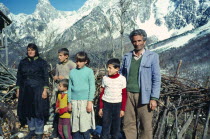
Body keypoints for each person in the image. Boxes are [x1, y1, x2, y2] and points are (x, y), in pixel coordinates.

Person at [120, 29, 161, 139]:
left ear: (144, 41)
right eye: (134, 41)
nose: (137, 43)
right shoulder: (127, 57)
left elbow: (156, 78)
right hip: (128, 94)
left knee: (146, 125)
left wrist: (154, 98)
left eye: (139, 41)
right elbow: (121, 75)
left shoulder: (152, 56)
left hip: (144, 95)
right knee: (128, 124)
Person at [16, 43, 49, 139]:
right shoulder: (23, 62)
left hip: (38, 89)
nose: (30, 52)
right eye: (29, 50)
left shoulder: (42, 62)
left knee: (38, 110)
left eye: (32, 50)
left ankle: (39, 132)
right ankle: (32, 130)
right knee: (28, 110)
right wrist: (18, 89)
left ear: (36, 51)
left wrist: (45, 90)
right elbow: (19, 76)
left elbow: (46, 77)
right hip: (26, 89)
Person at [67, 51, 96, 139]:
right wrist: (69, 102)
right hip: (74, 102)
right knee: (75, 126)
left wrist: (89, 102)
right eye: (77, 61)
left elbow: (92, 87)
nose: (78, 63)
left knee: (84, 125)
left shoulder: (89, 71)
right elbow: (69, 87)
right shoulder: (72, 72)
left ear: (85, 61)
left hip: (85, 102)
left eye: (80, 61)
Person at [50, 48, 76, 138]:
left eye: (61, 55)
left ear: (66, 56)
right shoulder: (58, 65)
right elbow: (57, 74)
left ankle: (69, 132)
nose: (59, 57)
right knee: (58, 108)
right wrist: (56, 77)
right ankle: (57, 130)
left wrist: (64, 77)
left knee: (66, 110)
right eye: (58, 55)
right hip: (59, 91)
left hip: (68, 91)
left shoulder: (72, 65)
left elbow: (75, 77)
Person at [98, 58, 127, 139]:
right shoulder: (105, 78)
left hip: (117, 105)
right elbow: (102, 93)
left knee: (116, 127)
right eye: (108, 67)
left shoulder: (122, 79)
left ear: (117, 69)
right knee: (105, 125)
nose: (108, 70)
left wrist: (122, 109)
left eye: (110, 68)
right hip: (107, 105)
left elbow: (124, 95)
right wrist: (101, 108)